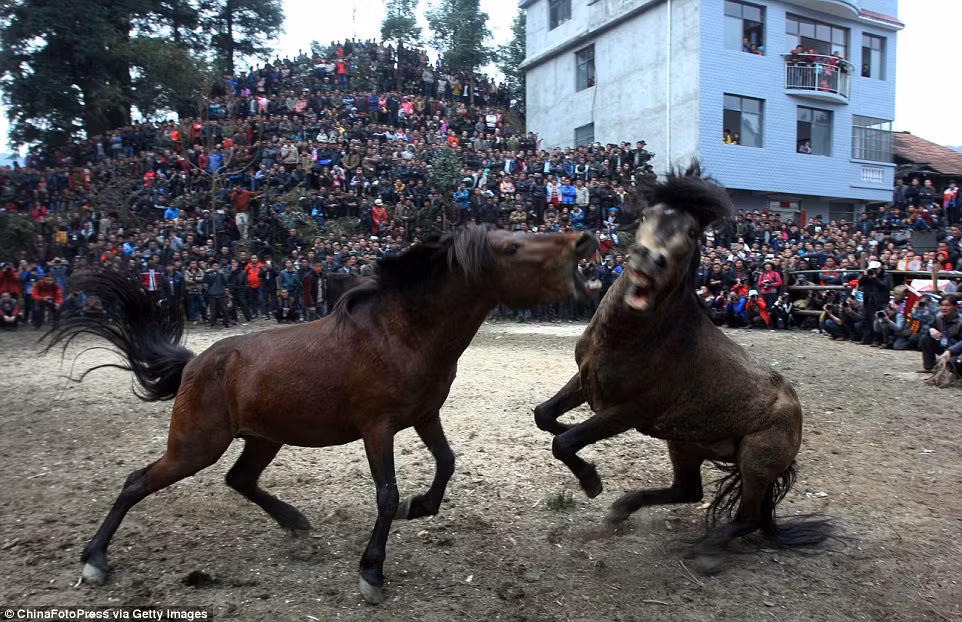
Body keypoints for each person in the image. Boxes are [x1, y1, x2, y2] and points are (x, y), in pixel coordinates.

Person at [918, 294, 962, 373]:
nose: (944, 308)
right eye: (941, 305)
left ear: (955, 306)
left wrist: (950, 350)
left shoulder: (960, 321)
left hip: (957, 351)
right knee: (925, 338)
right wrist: (930, 329)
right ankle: (929, 367)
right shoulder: (938, 317)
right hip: (943, 346)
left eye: (947, 305)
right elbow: (925, 326)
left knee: (952, 365)